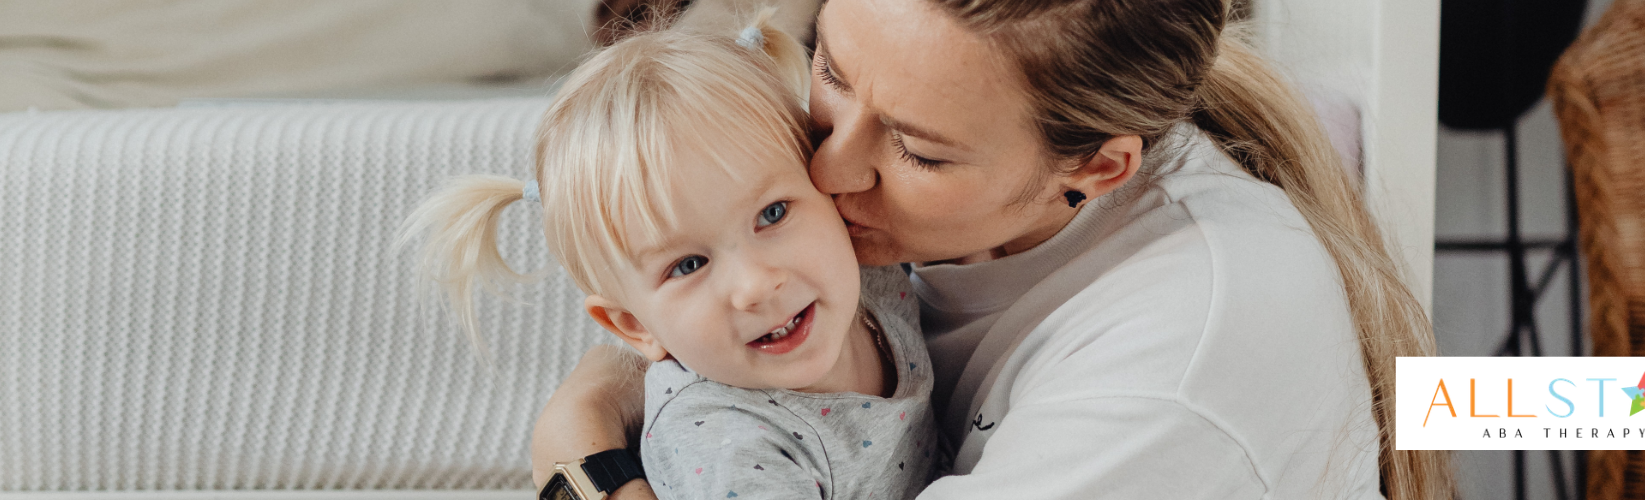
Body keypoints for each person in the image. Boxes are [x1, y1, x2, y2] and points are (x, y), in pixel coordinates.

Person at [535, 0, 1455, 498]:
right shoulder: (917, 225)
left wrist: (584, 461)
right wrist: (587, 426)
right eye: (831, 67)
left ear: (1097, 167)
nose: (828, 165)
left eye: (918, 149)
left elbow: (1540, 404)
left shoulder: (1171, 377)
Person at [399, 12, 939, 500]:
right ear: (634, 325)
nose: (755, 284)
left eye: (773, 214)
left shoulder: (874, 278)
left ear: (828, 195)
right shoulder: (730, 447)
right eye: (687, 265)